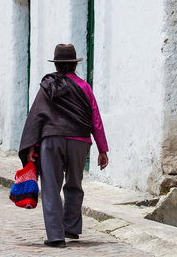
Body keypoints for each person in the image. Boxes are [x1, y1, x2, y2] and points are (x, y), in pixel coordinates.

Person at [18, 43, 109, 248]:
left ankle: (56, 236)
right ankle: (71, 227)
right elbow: (96, 119)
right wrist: (102, 149)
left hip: (52, 140)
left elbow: (37, 116)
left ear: (57, 64)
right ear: (75, 65)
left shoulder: (48, 86)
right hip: (79, 141)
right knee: (75, 184)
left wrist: (31, 145)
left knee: (51, 187)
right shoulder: (85, 87)